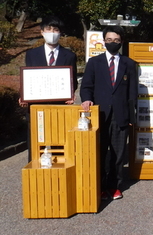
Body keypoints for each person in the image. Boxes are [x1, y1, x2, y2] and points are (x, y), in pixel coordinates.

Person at [80, 25, 138, 200]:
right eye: (110, 40)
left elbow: (132, 93)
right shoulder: (94, 63)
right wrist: (86, 99)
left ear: (121, 42)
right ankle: (99, 186)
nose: (113, 43)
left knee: (118, 154)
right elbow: (86, 86)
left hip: (121, 116)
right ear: (104, 41)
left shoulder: (129, 64)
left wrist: (131, 117)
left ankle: (114, 186)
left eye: (117, 40)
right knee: (99, 152)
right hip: (100, 114)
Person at [19, 16, 78, 161]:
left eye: (55, 29)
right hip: (37, 108)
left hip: (59, 107)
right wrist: (23, 95)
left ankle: (58, 175)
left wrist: (70, 95)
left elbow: (73, 80)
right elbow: (28, 79)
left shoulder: (69, 55)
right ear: (42, 32)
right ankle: (36, 175)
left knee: (59, 143)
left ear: (60, 33)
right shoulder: (32, 54)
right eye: (48, 29)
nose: (52, 32)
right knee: (35, 144)